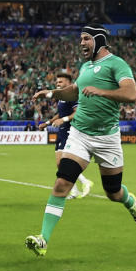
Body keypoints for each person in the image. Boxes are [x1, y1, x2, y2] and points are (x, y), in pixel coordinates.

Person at [25, 25, 136, 257]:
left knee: (113, 192)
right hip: (80, 134)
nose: (81, 43)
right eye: (80, 39)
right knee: (62, 183)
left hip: (107, 139)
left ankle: (130, 203)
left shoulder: (117, 64)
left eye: (86, 39)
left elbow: (131, 95)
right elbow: (74, 91)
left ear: (99, 40)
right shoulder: (86, 66)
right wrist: (51, 93)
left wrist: (102, 92)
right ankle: (43, 240)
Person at [36, 69, 93, 199]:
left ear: (68, 82)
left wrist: (64, 120)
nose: (58, 83)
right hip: (61, 131)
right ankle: (75, 190)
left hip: (70, 131)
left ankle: (84, 182)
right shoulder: (61, 97)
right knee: (59, 164)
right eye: (57, 81)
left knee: (64, 163)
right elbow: (60, 114)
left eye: (61, 81)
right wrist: (48, 122)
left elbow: (77, 112)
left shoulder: (73, 96)